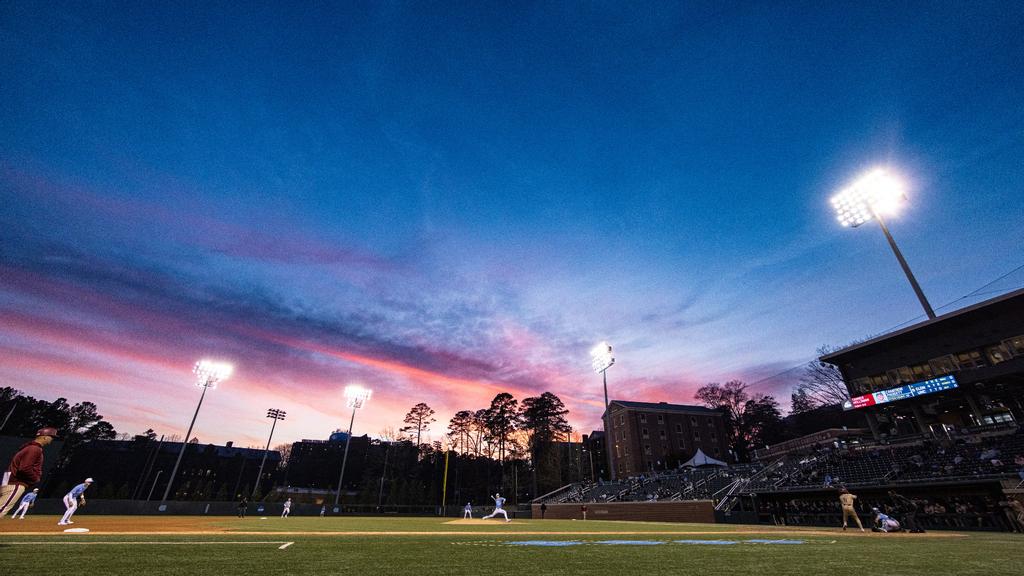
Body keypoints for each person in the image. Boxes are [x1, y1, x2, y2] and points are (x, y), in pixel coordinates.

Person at [0, 427, 57, 517]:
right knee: (2, 509)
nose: (52, 439)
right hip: (16, 484)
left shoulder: (28, 447)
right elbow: (24, 468)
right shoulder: (34, 449)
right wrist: (35, 479)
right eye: (51, 437)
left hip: (10, 482)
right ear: (45, 437)